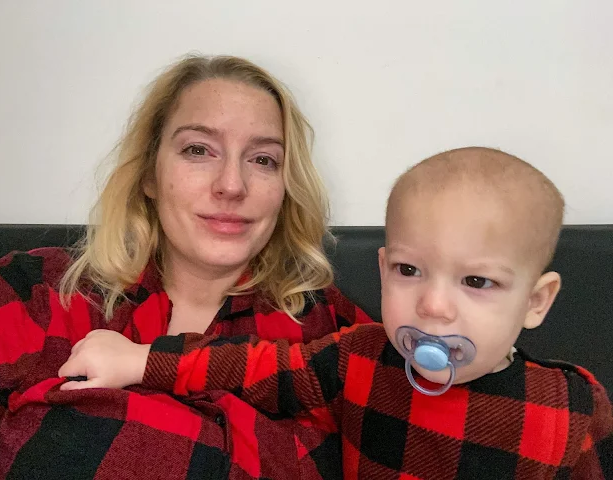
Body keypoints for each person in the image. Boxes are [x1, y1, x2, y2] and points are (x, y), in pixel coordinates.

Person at [65, 147, 613, 479]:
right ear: (382, 267)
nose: (434, 305)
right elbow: (252, 367)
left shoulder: (570, 408)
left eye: (476, 281)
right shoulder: (359, 358)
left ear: (536, 301)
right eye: (409, 271)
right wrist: (140, 359)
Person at [0, 54, 372, 479]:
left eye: (263, 160)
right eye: (198, 150)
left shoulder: (331, 333)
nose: (232, 185)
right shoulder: (35, 294)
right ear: (149, 173)